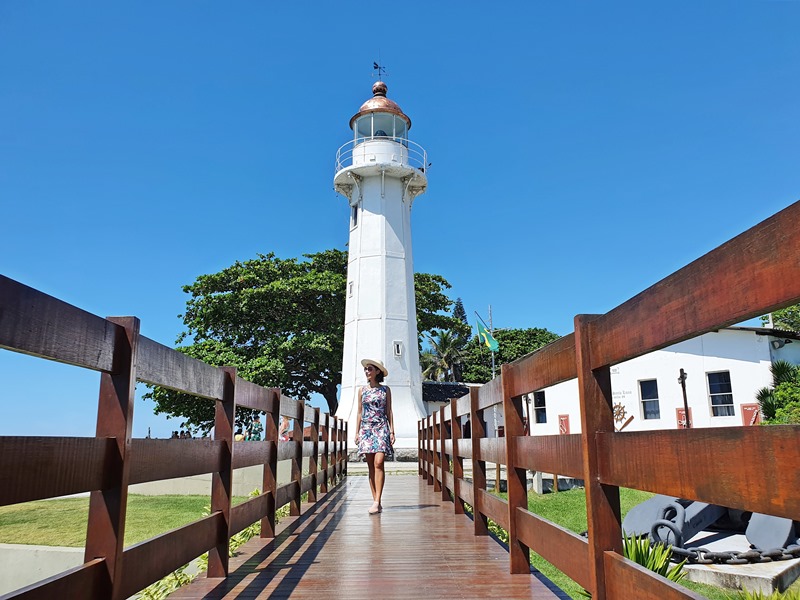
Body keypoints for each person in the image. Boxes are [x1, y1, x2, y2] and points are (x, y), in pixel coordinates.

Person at [355, 358, 395, 514]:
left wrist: (392, 431)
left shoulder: (385, 390)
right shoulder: (362, 390)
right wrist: (357, 432)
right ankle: (376, 501)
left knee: (379, 462)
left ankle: (378, 500)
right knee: (371, 465)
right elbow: (359, 412)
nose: (367, 371)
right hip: (366, 429)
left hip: (381, 427)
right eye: (366, 369)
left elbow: (389, 411)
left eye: (370, 369)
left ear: (378, 371)